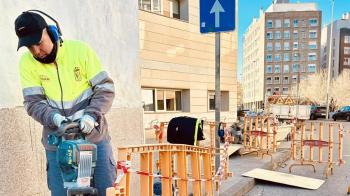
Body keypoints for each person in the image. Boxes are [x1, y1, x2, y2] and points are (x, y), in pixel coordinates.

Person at [15, 11, 116, 196]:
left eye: (38, 43)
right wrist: (55, 118)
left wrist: (91, 115)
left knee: (105, 190)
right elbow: (33, 103)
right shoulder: (26, 63)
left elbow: (105, 89)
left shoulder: (80, 51)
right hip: (57, 143)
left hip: (94, 138)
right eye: (30, 47)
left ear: (51, 32)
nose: (36, 51)